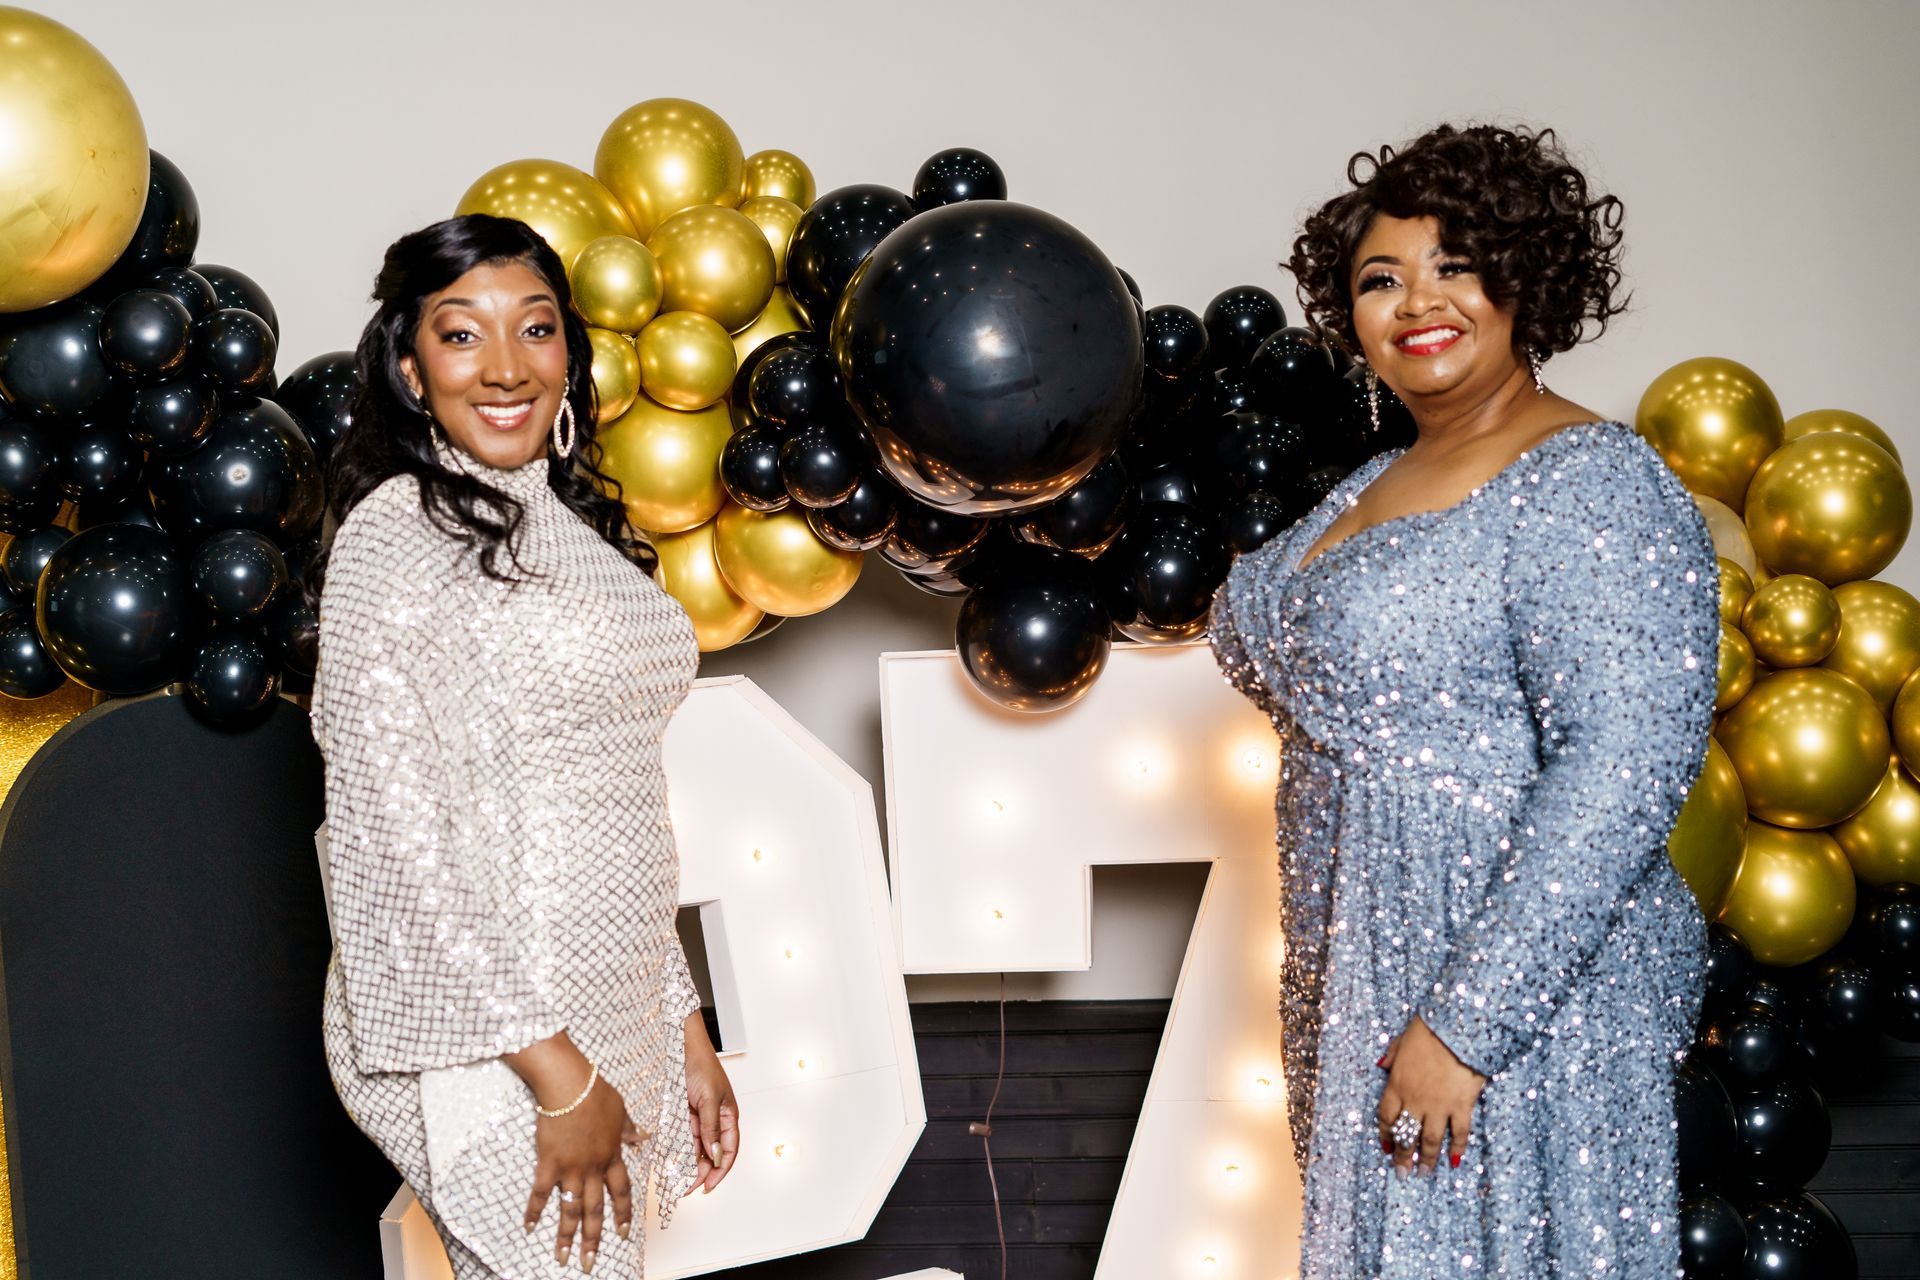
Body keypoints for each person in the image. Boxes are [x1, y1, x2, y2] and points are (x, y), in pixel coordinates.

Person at [1211, 125, 1717, 1277]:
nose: (1415, 300)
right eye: (1379, 279)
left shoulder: (1593, 479)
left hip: (1513, 992)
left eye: (1455, 265)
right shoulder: (1369, 480)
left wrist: (1466, 1025)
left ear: (1525, 281)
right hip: (1359, 961)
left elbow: (1627, 764)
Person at [310, 214, 737, 1278]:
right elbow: (387, 836)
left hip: (613, 1001)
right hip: (491, 1027)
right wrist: (558, 1075)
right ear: (410, 368)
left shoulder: (577, 530)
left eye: (535, 329)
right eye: (461, 335)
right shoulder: (397, 533)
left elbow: (621, 800)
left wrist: (678, 1018)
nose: (504, 367)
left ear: (569, 355)